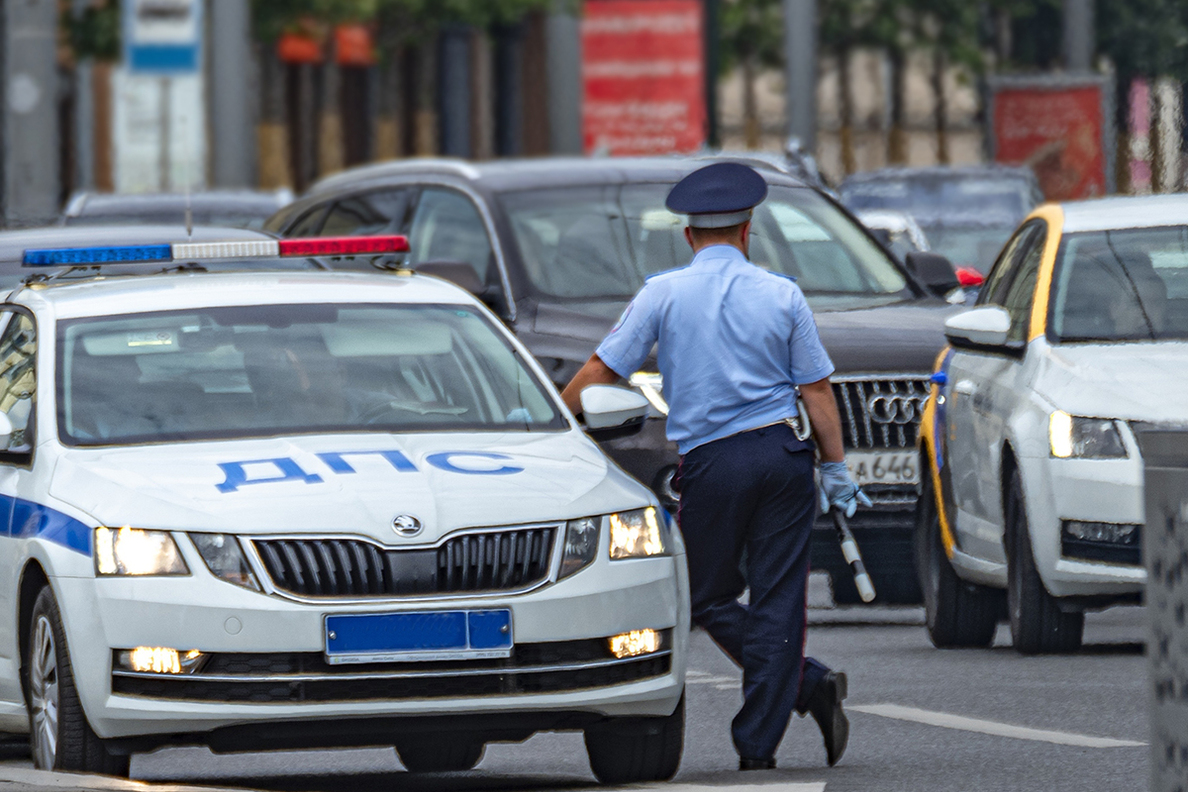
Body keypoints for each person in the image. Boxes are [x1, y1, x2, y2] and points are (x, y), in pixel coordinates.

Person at [561, 162, 870, 771]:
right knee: (781, 599)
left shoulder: (662, 293)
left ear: (688, 236)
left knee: (701, 595)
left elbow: (601, 372)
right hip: (784, 457)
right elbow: (818, 393)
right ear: (748, 229)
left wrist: (553, 423)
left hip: (713, 463)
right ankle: (766, 735)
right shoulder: (783, 294)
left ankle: (804, 690)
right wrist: (834, 469)